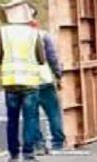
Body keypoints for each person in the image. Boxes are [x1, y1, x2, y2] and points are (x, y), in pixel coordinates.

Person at [0, 0, 48, 161]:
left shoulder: (3, 32)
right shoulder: (33, 34)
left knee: (12, 120)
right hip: (30, 85)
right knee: (30, 119)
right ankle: (28, 153)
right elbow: (41, 58)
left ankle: (13, 154)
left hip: (11, 84)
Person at [26, 17, 66, 155]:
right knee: (53, 112)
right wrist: (58, 74)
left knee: (32, 115)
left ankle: (38, 144)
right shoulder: (43, 36)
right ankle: (58, 142)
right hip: (44, 80)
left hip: (27, 82)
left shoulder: (17, 39)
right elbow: (52, 57)